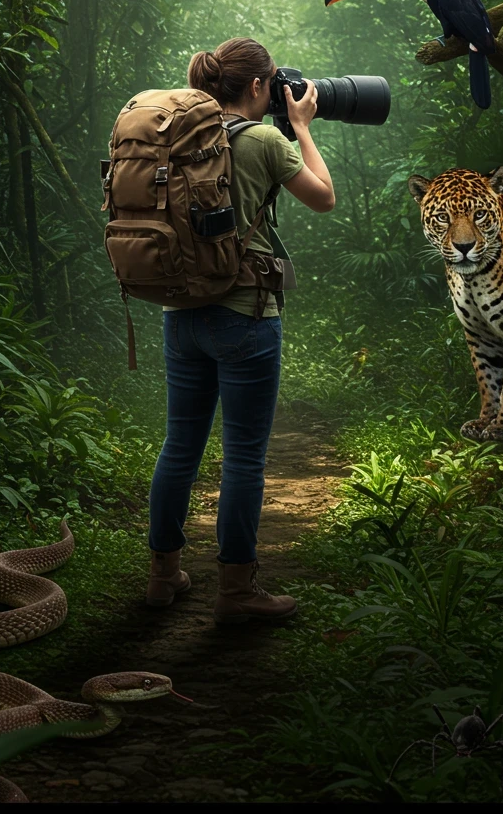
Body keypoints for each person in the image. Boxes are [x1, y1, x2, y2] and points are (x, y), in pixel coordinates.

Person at [145, 37, 336, 623]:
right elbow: (323, 198)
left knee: (180, 444)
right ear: (258, 88)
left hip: (179, 312)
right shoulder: (263, 140)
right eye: (273, 83)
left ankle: (163, 578)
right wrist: (301, 124)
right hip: (245, 314)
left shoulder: (177, 135)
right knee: (244, 458)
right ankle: (235, 591)